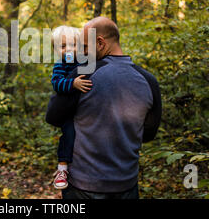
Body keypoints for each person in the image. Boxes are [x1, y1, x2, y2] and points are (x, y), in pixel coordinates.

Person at [46, 17, 162, 199]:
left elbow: (53, 116)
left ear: (100, 43)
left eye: (84, 46)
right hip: (127, 185)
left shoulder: (83, 75)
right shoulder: (149, 81)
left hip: (83, 187)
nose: (81, 52)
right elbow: (148, 134)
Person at [50, 26, 93, 189]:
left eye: (73, 45)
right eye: (62, 46)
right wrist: (72, 83)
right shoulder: (61, 64)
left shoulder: (85, 59)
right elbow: (56, 83)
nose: (68, 49)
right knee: (68, 134)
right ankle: (62, 168)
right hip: (69, 109)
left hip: (84, 108)